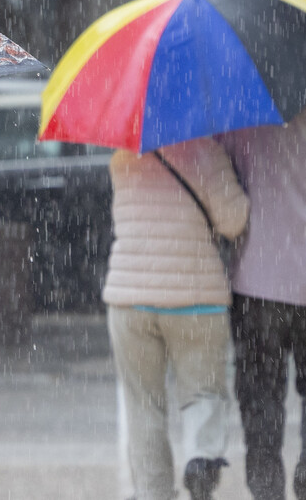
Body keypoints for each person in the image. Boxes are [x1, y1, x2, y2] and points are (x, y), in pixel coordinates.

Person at [219, 84, 306, 500]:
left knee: (260, 395)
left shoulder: (248, 123)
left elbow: (224, 173)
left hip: (259, 284)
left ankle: (267, 489)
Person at [104, 136, 249, 500]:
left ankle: (154, 492)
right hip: (196, 297)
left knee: (144, 405)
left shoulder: (123, 157)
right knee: (203, 391)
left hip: (131, 297)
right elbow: (233, 222)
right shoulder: (208, 152)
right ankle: (201, 459)